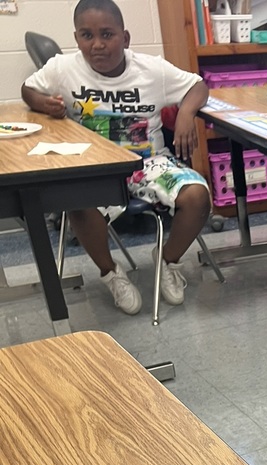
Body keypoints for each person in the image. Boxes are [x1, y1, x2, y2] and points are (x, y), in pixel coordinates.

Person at [21, 0, 211, 315]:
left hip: (148, 163)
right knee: (77, 201)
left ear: (125, 38)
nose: (97, 44)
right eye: (86, 35)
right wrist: (42, 102)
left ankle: (167, 260)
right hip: (93, 165)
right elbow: (28, 89)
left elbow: (197, 85)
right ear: (77, 37)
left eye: (107, 34)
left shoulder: (152, 69)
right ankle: (111, 273)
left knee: (198, 197)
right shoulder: (61, 68)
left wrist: (186, 113)